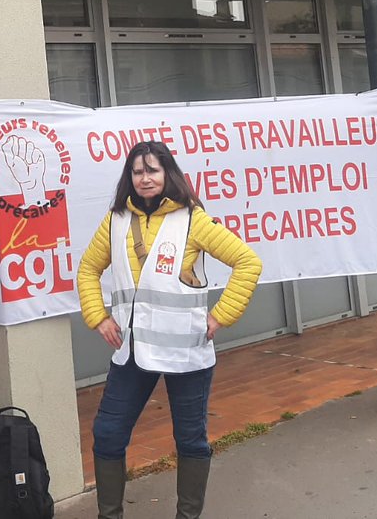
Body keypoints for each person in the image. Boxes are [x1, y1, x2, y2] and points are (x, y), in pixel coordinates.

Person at [78, 140, 263, 519]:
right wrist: (98, 316)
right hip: (132, 351)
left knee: (190, 440)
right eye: (137, 171)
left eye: (153, 170)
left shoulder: (193, 219)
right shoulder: (115, 221)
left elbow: (248, 262)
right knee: (108, 434)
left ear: (168, 174)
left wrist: (221, 315)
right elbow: (87, 269)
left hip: (187, 351)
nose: (144, 178)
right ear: (129, 178)